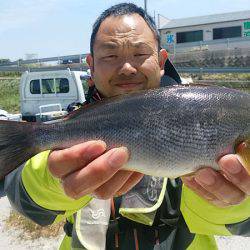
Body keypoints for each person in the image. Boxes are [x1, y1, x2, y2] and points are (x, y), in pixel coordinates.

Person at [4, 3, 250, 250]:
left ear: (161, 60)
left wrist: (233, 198)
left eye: (140, 54)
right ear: (91, 65)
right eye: (110, 56)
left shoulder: (194, 112)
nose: (127, 68)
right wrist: (54, 176)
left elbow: (240, 225)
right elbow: (25, 201)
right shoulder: (71, 124)